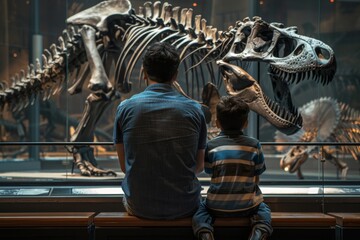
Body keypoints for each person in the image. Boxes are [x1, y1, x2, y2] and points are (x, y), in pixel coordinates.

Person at [113, 42, 207, 219]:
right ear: (175, 75)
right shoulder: (195, 109)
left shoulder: (125, 108)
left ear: (144, 73)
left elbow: (125, 166)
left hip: (139, 206)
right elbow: (199, 165)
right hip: (185, 206)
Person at [192, 96, 273, 240]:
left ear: (217, 123)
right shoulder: (254, 145)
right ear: (246, 123)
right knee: (264, 210)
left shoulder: (211, 146)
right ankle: (259, 232)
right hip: (248, 207)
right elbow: (257, 175)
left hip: (216, 206)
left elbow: (210, 171)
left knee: (201, 212)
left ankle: (205, 232)